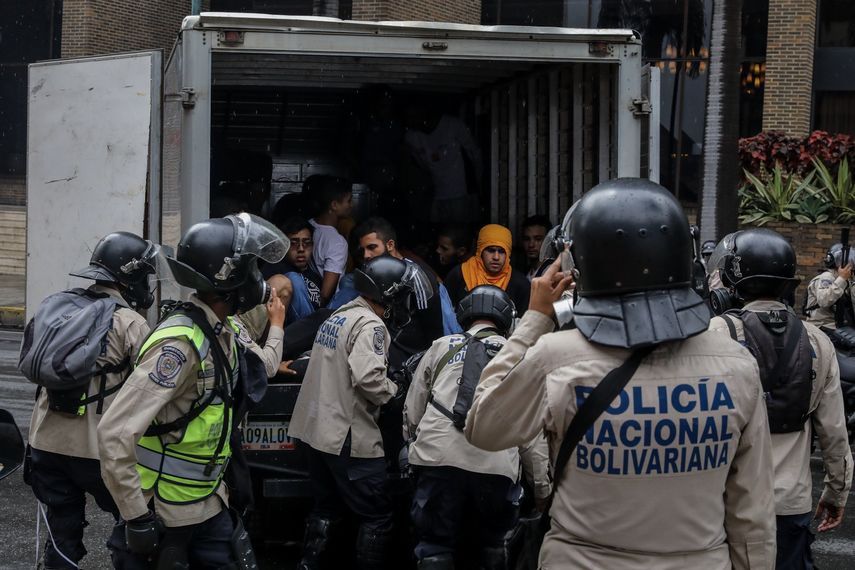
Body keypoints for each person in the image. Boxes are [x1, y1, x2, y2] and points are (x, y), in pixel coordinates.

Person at [465, 179, 776, 569]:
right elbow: (753, 510)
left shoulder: (556, 358)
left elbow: (483, 426)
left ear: (579, 266)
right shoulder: (736, 365)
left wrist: (534, 320)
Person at [98, 213, 288, 568]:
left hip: (209, 503)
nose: (257, 280)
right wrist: (137, 517)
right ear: (228, 277)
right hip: (167, 513)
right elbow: (114, 433)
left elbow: (259, 369)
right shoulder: (180, 344)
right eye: (251, 269)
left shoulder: (223, 330)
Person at [708, 228, 853, 570]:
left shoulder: (715, 333)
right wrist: (836, 492)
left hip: (724, 502)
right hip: (790, 503)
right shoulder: (818, 340)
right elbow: (834, 431)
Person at [25, 232, 158, 569]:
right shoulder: (130, 323)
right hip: (97, 451)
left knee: (62, 535)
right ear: (131, 278)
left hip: (45, 444)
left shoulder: (55, 306)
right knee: (130, 524)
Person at [289, 256, 425, 570]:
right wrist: (396, 393)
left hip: (316, 434)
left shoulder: (340, 315)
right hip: (347, 437)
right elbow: (368, 379)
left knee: (326, 509)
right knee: (377, 514)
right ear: (388, 294)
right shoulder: (371, 325)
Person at [404, 285, 550, 569]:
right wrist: (542, 490)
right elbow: (531, 435)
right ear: (508, 318)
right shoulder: (520, 355)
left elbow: (413, 410)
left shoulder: (441, 346)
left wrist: (414, 446)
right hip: (495, 466)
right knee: (493, 545)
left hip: (437, 459)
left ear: (464, 312)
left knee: (435, 545)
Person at [353, 217, 445, 367]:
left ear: (390, 245)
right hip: (379, 342)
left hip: (408, 355)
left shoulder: (417, 276)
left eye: (372, 247)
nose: (366, 255)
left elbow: (433, 329)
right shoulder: (370, 271)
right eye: (363, 250)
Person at [404, 104, 482, 224]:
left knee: (459, 232)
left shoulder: (453, 125)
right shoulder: (412, 136)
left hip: (460, 194)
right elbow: (420, 164)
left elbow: (474, 153)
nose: (411, 121)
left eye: (414, 116)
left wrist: (478, 183)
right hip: (435, 195)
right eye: (408, 117)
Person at [444, 224, 530, 313]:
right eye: (491, 250)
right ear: (480, 251)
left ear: (508, 254)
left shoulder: (520, 284)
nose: (496, 257)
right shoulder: (459, 275)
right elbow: (446, 316)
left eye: (501, 251)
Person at [263, 217, 323, 324]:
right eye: (294, 243)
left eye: (306, 243)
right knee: (293, 277)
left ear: (312, 245)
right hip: (289, 331)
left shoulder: (315, 277)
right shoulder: (274, 269)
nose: (301, 249)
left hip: (316, 327)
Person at [307, 175, 353, 305]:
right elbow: (326, 294)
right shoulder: (337, 242)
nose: (351, 206)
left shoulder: (308, 226)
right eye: (348, 201)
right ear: (334, 205)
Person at [805, 242, 855, 329]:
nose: (849, 264)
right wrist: (842, 279)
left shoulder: (848, 281)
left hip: (841, 328)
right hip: (821, 327)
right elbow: (823, 300)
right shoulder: (826, 277)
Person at [518, 215, 552, 281]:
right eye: (527, 239)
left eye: (538, 239)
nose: (531, 245)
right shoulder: (523, 273)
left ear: (548, 241)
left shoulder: (554, 273)